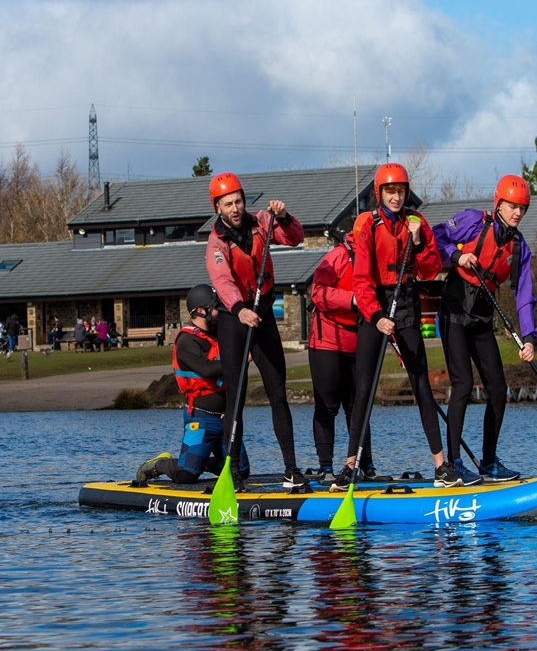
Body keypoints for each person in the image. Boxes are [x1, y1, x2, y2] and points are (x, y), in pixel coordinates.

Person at [333, 163, 466, 490]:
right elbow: (361, 280)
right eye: (390, 191)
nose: (396, 197)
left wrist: (418, 241)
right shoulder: (367, 224)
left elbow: (430, 269)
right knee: (363, 389)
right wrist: (377, 316)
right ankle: (350, 465)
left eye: (400, 191)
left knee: (421, 383)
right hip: (374, 304)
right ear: (380, 193)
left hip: (406, 303)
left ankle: (440, 467)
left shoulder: (416, 222)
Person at [432, 175, 537, 483]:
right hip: (453, 310)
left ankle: (488, 462)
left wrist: (528, 337)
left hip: (481, 317)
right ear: (498, 204)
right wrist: (456, 255)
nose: (517, 213)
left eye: (522, 208)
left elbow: (524, 295)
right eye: (512, 206)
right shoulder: (473, 222)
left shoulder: (520, 248)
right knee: (463, 384)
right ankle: (450, 464)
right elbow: (435, 238)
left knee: (498, 388)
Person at [205, 171, 306, 491]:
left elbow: (295, 238)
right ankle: (231, 472)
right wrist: (238, 308)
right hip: (234, 319)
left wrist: (285, 216)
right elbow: (221, 280)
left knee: (278, 392)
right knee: (236, 395)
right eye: (228, 204)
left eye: (238, 201)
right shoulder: (216, 241)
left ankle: (291, 470)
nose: (235, 208)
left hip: (262, 316)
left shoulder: (263, 221)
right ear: (218, 208)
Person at [135, 285, 250, 486]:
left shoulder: (221, 335)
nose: (220, 312)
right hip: (202, 417)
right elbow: (206, 369)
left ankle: (199, 460)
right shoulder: (187, 341)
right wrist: (239, 360)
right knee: (187, 476)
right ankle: (160, 465)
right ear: (200, 311)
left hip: (227, 418)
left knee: (241, 471)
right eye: (217, 308)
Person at [307, 232, 378, 481]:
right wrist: (352, 299)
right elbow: (317, 292)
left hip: (360, 341)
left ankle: (364, 463)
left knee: (358, 405)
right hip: (327, 340)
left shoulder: (377, 260)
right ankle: (325, 467)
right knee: (327, 406)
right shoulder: (338, 256)